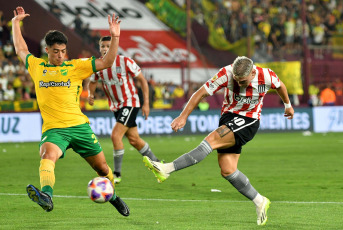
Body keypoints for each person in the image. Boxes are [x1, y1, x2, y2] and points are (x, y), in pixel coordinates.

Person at [143, 56, 294, 226]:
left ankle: (166, 169)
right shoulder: (226, 73)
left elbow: (280, 86)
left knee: (211, 141)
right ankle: (260, 201)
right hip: (228, 118)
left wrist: (287, 105)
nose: (239, 84)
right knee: (228, 170)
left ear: (252, 73)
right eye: (236, 80)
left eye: (242, 81)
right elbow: (200, 92)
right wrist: (183, 116)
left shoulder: (266, 76)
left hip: (248, 120)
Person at [12, 6, 130, 216]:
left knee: (102, 169)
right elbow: (21, 50)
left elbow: (108, 61)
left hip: (79, 127)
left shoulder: (76, 67)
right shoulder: (38, 67)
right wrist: (15, 23)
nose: (60, 55)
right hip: (55, 130)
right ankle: (46, 196)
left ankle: (113, 196)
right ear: (47, 50)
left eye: (63, 51)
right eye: (55, 51)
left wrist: (115, 37)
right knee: (47, 155)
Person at [88, 36, 160, 184]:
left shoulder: (125, 61)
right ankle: (158, 164)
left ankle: (117, 174)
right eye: (102, 46)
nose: (105, 49)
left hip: (130, 103)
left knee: (115, 136)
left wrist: (146, 103)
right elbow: (92, 81)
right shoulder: (99, 65)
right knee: (134, 140)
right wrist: (91, 94)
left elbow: (142, 80)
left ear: (114, 46)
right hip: (116, 107)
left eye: (108, 46)